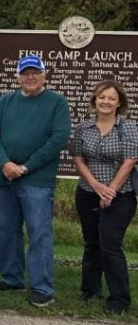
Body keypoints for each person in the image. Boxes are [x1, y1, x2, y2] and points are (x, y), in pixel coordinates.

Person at [0, 55, 71, 308]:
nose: (30, 77)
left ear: (45, 74)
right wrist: (5, 164)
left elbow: (59, 139)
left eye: (35, 72)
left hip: (37, 179)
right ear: (18, 76)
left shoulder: (57, 102)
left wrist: (25, 166)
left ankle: (42, 288)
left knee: (38, 233)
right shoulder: (6, 101)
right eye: (25, 73)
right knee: (6, 230)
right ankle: (11, 278)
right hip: (6, 177)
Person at [69, 78, 138, 315]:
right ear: (95, 100)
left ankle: (119, 298)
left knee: (110, 243)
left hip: (121, 195)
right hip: (88, 192)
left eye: (111, 98)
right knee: (92, 242)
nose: (106, 101)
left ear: (119, 102)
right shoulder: (83, 127)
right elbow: (78, 158)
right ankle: (90, 290)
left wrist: (111, 190)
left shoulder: (128, 128)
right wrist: (96, 185)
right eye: (102, 97)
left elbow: (130, 161)